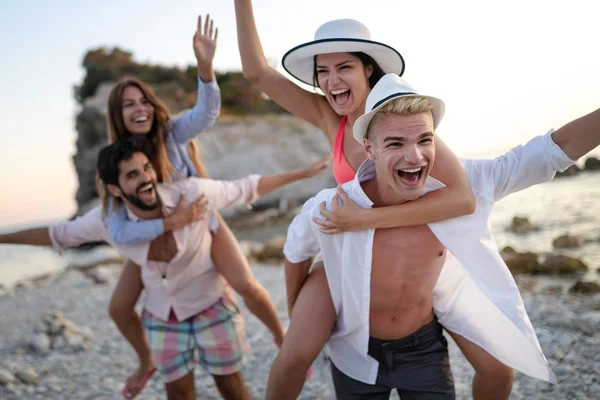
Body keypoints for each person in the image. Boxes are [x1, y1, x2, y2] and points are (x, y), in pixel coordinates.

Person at [233, 2, 526, 398]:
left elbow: (461, 199)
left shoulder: (401, 122)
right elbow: (256, 72)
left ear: (368, 68)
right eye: (323, 71)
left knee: (498, 369)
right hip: (346, 253)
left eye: (344, 68)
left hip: (408, 259)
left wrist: (367, 220)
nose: (332, 80)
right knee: (292, 355)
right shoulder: (327, 116)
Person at [278, 73, 600, 399]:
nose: (415, 156)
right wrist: (296, 315)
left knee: (498, 371)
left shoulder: (459, 188)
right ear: (369, 148)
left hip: (423, 349)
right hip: (355, 352)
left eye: (424, 139)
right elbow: (295, 250)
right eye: (395, 143)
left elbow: (544, 154)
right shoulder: (334, 207)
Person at [0, 136, 331, 400]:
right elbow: (56, 234)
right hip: (162, 315)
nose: (146, 179)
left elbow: (245, 188)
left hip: (211, 305)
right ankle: (146, 363)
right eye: (132, 175)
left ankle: (280, 337)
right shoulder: (107, 221)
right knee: (178, 393)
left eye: (146, 168)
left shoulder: (189, 194)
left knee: (231, 388)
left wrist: (303, 173)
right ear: (115, 190)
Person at [98, 14, 321, 398]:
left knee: (247, 284)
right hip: (161, 232)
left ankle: (281, 335)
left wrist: (205, 69)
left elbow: (206, 114)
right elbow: (115, 225)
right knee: (119, 306)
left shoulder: (170, 134)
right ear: (117, 117)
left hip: (200, 219)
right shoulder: (116, 164)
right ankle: (146, 358)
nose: (139, 109)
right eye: (128, 105)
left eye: (143, 101)